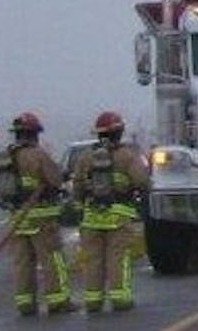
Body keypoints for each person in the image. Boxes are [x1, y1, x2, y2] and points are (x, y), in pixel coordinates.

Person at [70, 110, 150, 312]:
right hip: (118, 217)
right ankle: (120, 298)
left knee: (93, 260)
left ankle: (93, 301)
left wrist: (80, 208)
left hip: (91, 218)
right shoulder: (127, 156)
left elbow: (77, 186)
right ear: (120, 132)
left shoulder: (86, 157)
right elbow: (142, 181)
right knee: (118, 257)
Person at [0, 112, 75, 316]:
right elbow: (55, 180)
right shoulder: (37, 154)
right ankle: (58, 301)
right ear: (34, 134)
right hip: (42, 217)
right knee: (52, 260)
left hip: (18, 218)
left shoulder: (6, 156)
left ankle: (25, 304)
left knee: (23, 263)